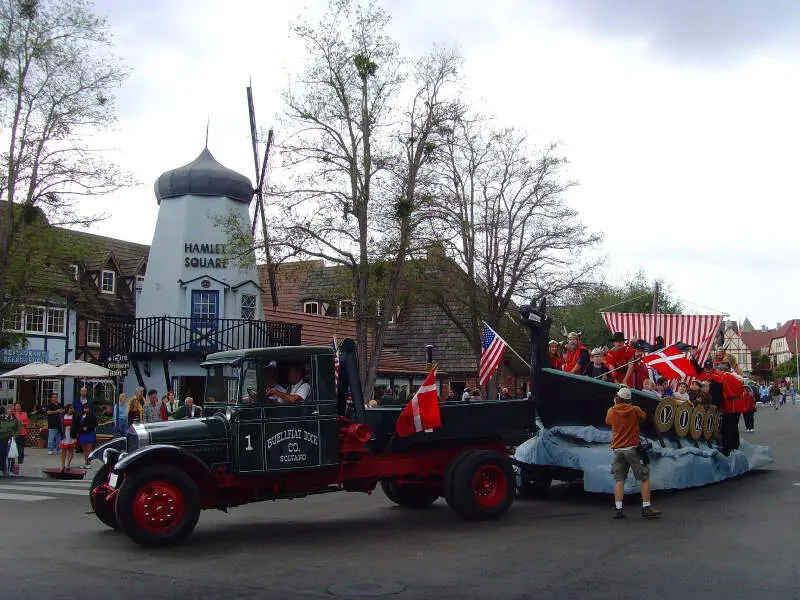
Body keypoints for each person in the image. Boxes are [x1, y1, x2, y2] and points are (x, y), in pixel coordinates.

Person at [605, 386, 660, 519]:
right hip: (633, 448)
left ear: (618, 398)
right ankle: (646, 507)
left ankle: (618, 509)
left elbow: (608, 422)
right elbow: (643, 417)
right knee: (644, 477)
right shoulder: (635, 410)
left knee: (619, 480)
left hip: (617, 450)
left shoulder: (611, 411)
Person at [75, 403, 97, 469]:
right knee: (84, 450)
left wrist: (88, 428)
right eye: (84, 408)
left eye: (86, 408)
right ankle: (85, 462)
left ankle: (89, 463)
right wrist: (79, 431)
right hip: (82, 434)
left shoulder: (92, 415)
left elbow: (95, 424)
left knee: (89, 450)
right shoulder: (80, 416)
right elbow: (77, 424)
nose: (85, 409)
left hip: (89, 433)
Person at [0, 406, 20, 477]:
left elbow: (18, 428)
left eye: (13, 409)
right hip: (2, 438)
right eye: (10, 409)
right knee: (2, 454)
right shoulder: (1, 418)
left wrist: (15, 435)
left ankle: (10, 470)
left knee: (11, 455)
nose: (11, 410)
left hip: (11, 439)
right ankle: (1, 470)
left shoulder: (15, 419)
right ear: (6, 410)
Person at [60, 404, 77, 472]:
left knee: (71, 450)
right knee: (63, 450)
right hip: (64, 434)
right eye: (70, 408)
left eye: (72, 408)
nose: (72, 410)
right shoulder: (62, 416)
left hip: (72, 435)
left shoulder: (75, 416)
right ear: (67, 409)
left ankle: (68, 464)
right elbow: (60, 424)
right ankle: (62, 465)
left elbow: (78, 425)